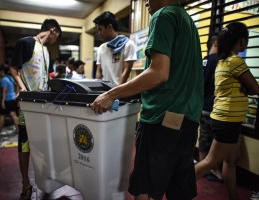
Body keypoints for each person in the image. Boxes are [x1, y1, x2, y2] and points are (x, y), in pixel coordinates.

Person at [91, 0, 203, 199]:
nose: (146, 4)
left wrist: (111, 94)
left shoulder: (163, 16)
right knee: (178, 189)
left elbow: (159, 72)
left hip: (162, 119)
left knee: (144, 188)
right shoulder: (187, 21)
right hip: (188, 119)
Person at [195, 22, 259, 200]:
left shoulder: (223, 61)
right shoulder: (235, 61)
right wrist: (248, 89)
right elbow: (255, 88)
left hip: (227, 119)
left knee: (230, 161)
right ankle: (177, 189)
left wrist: (246, 89)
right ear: (241, 40)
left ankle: (233, 197)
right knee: (209, 162)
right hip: (227, 121)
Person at [10, 19, 62, 200]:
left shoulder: (46, 51)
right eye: (57, 36)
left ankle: (45, 178)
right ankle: (25, 183)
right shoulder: (26, 43)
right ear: (53, 30)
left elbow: (45, 76)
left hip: (44, 104)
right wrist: (22, 88)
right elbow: (14, 68)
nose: (56, 40)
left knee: (44, 142)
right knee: (25, 144)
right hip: (28, 105)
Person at [198, 33, 223, 182]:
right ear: (216, 43)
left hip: (201, 108)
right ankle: (216, 171)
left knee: (203, 140)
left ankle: (202, 170)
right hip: (214, 109)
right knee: (216, 144)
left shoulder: (202, 62)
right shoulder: (219, 63)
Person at [93, 11, 137, 85]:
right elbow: (99, 71)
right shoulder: (101, 48)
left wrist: (116, 92)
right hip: (104, 90)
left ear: (109, 27)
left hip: (121, 90)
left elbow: (126, 71)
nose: (99, 33)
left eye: (100, 29)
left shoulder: (128, 45)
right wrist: (96, 88)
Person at [0, 64, 19, 135]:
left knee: (2, 116)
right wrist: (15, 94)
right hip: (12, 99)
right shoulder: (10, 77)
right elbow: (16, 85)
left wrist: (2, 101)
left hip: (6, 100)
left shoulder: (3, 79)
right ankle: (18, 130)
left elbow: (4, 90)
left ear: (1, 71)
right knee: (13, 115)